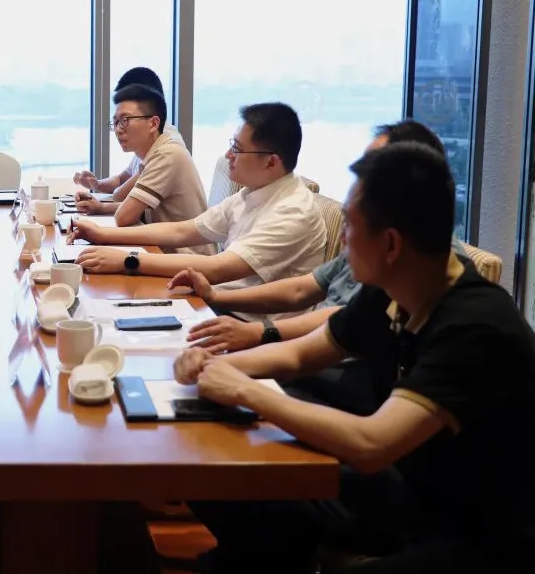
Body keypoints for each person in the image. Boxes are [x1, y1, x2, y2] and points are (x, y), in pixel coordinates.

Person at [172, 142, 535, 573]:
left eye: (349, 225)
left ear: (391, 244)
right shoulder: (391, 287)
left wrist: (245, 391)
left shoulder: (474, 326)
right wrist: (214, 365)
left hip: (480, 533)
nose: (342, 240)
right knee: (229, 471)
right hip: (412, 489)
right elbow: (300, 355)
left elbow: (370, 445)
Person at [175, 120, 467, 354]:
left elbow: (333, 327)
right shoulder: (373, 240)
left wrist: (257, 338)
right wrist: (219, 299)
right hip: (309, 347)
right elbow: (304, 291)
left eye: (372, 171)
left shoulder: (422, 265)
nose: (343, 237)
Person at [69, 102, 325, 319]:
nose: (228, 155)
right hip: (217, 302)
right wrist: (103, 235)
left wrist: (127, 260)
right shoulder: (252, 193)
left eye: (237, 148)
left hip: (250, 323)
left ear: (271, 162)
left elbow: (216, 269)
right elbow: (183, 231)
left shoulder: (292, 211)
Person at [74, 84, 212, 254]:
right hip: (164, 251)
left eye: (125, 120)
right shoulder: (150, 153)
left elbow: (123, 217)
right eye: (115, 122)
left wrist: (100, 228)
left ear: (153, 123)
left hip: (188, 259)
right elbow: (138, 208)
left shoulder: (167, 154)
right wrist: (100, 208)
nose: (117, 130)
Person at [73, 66, 187, 205]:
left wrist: (100, 206)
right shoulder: (146, 139)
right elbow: (122, 180)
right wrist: (96, 184)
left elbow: (120, 195)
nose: (118, 129)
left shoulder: (166, 145)